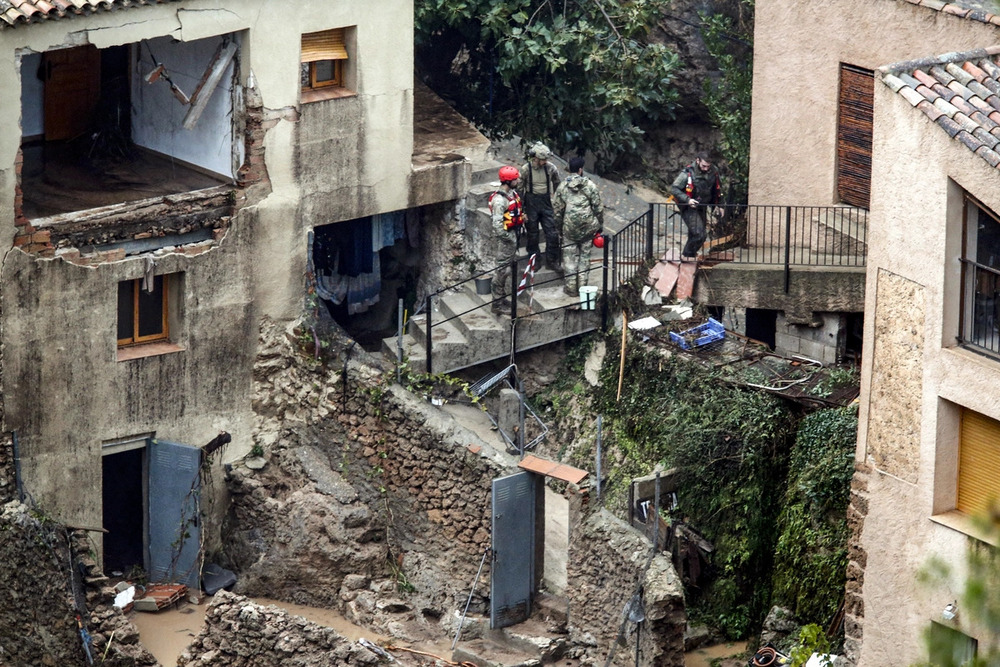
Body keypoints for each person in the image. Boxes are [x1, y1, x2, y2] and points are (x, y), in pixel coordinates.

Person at [554, 157, 603, 297]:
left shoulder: (563, 187)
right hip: (588, 228)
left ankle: (570, 289)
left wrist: (560, 227)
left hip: (569, 228)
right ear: (581, 170)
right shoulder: (590, 185)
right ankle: (583, 287)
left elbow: (557, 210)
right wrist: (599, 225)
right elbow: (598, 208)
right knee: (584, 257)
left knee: (569, 258)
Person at [670, 152, 723, 260]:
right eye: (704, 166)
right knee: (700, 235)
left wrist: (719, 205)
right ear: (697, 161)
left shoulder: (714, 171)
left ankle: (688, 258)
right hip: (689, 207)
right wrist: (687, 200)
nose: (706, 168)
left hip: (702, 206)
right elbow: (674, 189)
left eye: (708, 166)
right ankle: (687, 256)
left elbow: (716, 189)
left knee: (694, 235)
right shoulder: (688, 172)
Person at [520, 142, 562, 271]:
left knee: (552, 233)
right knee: (532, 234)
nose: (544, 162)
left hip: (546, 202)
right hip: (531, 202)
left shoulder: (551, 168)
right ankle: (535, 261)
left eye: (546, 160)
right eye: (542, 159)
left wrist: (557, 202)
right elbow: (520, 190)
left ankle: (552, 261)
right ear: (535, 158)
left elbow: (557, 184)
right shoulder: (526, 169)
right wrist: (522, 210)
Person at [488, 165, 524, 312]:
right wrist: (510, 238)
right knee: (502, 271)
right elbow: (497, 227)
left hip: (513, 235)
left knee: (507, 270)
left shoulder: (512, 194)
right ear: (509, 181)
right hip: (505, 241)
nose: (518, 180)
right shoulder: (499, 201)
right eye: (515, 179)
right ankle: (496, 304)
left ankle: (501, 298)